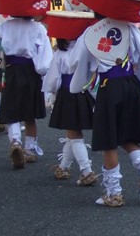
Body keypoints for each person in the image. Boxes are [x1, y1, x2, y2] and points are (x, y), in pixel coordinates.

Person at [69, 0, 140, 208]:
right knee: (127, 135)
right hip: (130, 82)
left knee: (108, 139)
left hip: (108, 88)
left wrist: (75, 88)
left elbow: (77, 64)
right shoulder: (129, 27)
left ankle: (114, 193)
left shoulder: (90, 33)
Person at [0, 0, 53, 169]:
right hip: (31, 71)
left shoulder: (6, 26)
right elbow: (44, 56)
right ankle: (29, 149)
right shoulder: (38, 28)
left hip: (11, 70)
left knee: (12, 111)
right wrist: (43, 72)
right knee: (30, 114)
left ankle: (15, 143)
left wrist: (2, 64)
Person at [42, 10, 98, 185]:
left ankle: (87, 170)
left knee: (74, 134)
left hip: (68, 95)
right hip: (84, 94)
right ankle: (63, 167)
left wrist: (49, 94)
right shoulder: (88, 52)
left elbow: (53, 78)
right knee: (71, 133)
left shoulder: (60, 54)